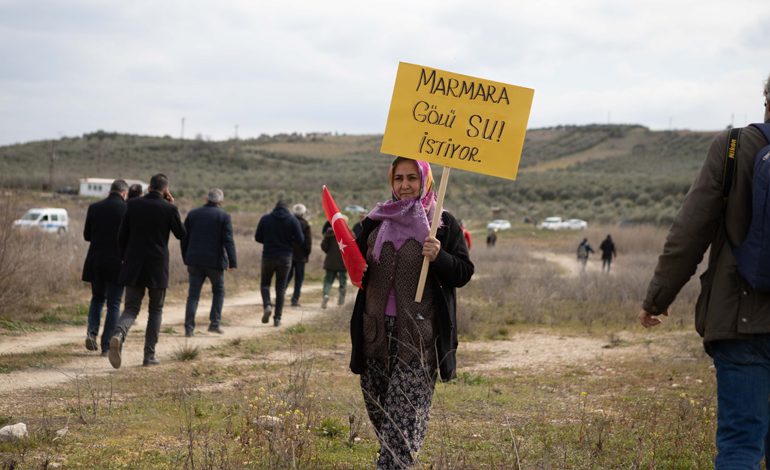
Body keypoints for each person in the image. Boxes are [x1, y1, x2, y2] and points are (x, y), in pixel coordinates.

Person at [640, 73, 770, 468]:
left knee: (740, 445)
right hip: (740, 323)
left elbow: (689, 233)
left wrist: (657, 299)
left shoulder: (733, 148)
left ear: (766, 99)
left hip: (740, 321)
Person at [350, 157, 474, 468]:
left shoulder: (442, 224)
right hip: (374, 334)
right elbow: (353, 264)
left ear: (426, 180)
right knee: (381, 415)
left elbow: (463, 272)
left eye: (412, 178)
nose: (405, 185)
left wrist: (440, 255)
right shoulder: (374, 222)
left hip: (417, 339)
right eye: (399, 178)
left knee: (402, 423)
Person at [109, 173, 186, 369]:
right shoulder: (169, 209)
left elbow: (120, 235)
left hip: (133, 265)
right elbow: (181, 234)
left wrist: (125, 258)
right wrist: (171, 205)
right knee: (155, 310)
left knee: (131, 308)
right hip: (157, 267)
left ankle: (118, 334)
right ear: (165, 189)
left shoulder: (133, 205)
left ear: (150, 186)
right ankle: (148, 355)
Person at [181, 188, 237, 337]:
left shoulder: (193, 214)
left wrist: (186, 256)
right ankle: (214, 324)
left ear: (207, 199)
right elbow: (228, 240)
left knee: (193, 295)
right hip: (215, 262)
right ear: (220, 201)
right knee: (218, 292)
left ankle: (189, 328)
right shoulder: (224, 216)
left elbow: (184, 237)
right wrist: (232, 262)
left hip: (194, 261)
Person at [82, 179, 128, 356]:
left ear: (111, 190)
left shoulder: (95, 207)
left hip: (96, 261)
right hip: (117, 263)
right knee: (114, 304)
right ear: (124, 193)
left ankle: (91, 333)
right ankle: (107, 345)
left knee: (97, 298)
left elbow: (87, 236)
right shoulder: (126, 209)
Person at [255, 200, 304, 327]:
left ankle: (267, 305)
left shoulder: (265, 219)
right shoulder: (293, 220)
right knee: (280, 288)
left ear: (275, 207)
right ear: (287, 208)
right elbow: (300, 239)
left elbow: (257, 237)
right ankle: (277, 318)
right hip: (285, 257)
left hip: (268, 256)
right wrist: (289, 242)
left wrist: (269, 241)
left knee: (265, 284)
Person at [286, 203, 312, 307]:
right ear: (303, 213)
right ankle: (294, 300)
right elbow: (308, 243)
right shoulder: (305, 224)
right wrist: (307, 254)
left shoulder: (288, 222)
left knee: (286, 277)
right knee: (299, 279)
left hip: (288, 254)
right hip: (301, 256)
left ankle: (280, 296)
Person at [320, 214, 348, 309]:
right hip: (343, 263)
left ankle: (326, 295)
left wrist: (330, 252)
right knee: (343, 282)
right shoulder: (349, 233)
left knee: (328, 281)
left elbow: (324, 247)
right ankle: (341, 302)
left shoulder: (329, 233)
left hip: (330, 262)